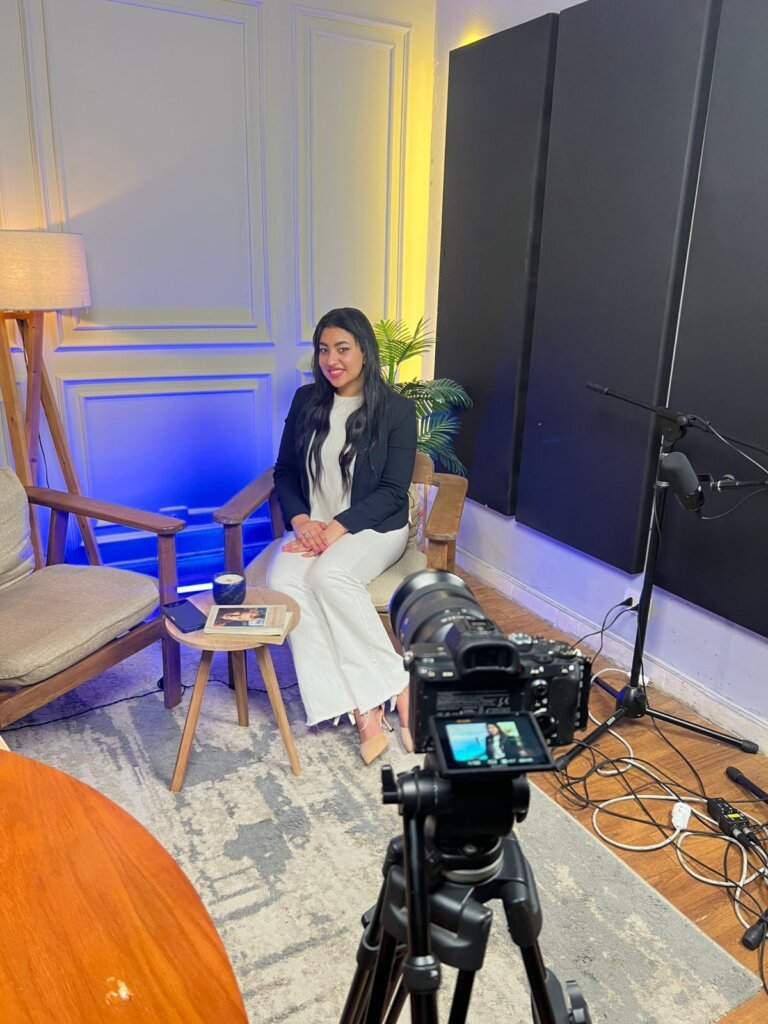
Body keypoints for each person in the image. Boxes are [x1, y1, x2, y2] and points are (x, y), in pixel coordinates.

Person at [267, 307, 416, 764]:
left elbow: (393, 491)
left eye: (343, 349)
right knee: (284, 582)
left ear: (364, 351)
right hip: (312, 526)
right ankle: (362, 706)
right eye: (324, 349)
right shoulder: (305, 401)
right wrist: (301, 521)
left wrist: (335, 529)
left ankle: (399, 687)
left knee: (329, 576)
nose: (332, 360)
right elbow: (284, 471)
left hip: (373, 526)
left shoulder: (396, 410)